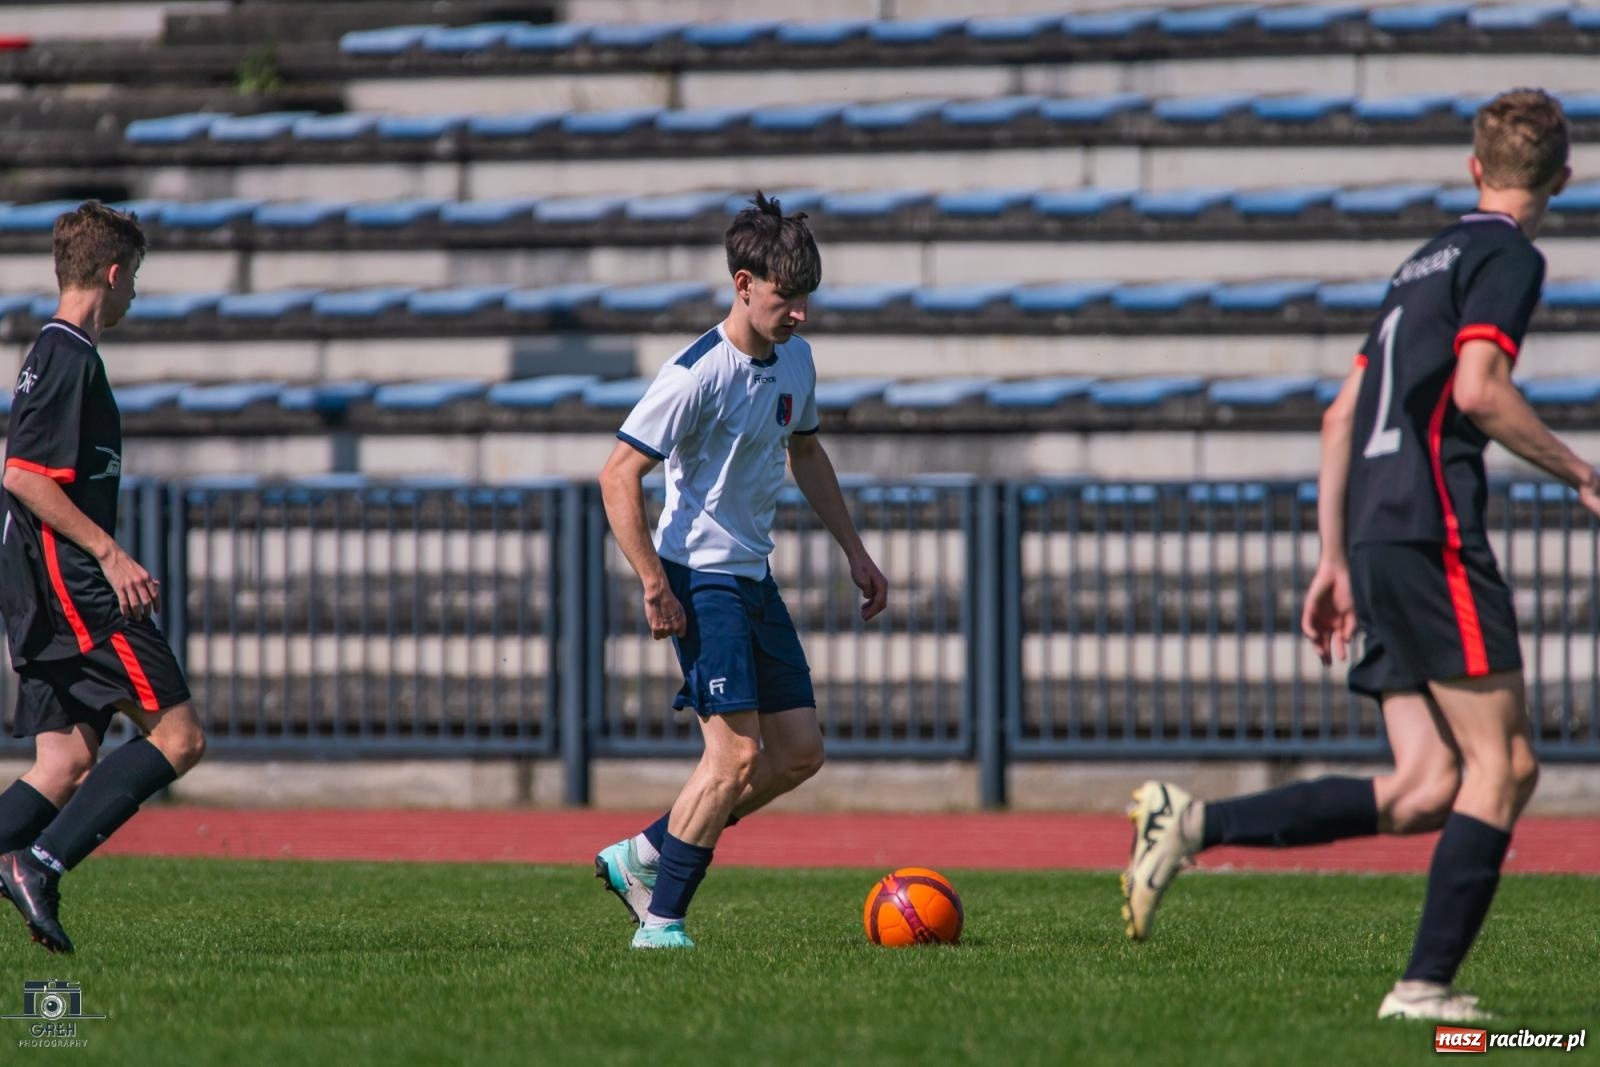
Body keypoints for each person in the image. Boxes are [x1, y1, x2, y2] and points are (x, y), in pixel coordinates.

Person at [1122, 88, 1589, 1021]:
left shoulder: (1419, 264)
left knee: (1426, 785)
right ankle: (1423, 987)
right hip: (1430, 525)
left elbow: (1341, 416)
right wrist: (1582, 471)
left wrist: (1334, 556)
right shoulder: (1509, 255)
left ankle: (1192, 821)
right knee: (1504, 766)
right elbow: (1480, 389)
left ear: (1475, 167)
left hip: (1377, 528)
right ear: (1564, 179)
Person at [593, 192, 888, 949]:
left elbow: (807, 451)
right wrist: (654, 582)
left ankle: (646, 852)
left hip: (754, 575)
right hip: (700, 579)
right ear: (744, 284)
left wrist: (855, 551)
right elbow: (618, 474)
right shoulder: (695, 374)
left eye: (807, 299)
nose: (800, 315)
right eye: (787, 299)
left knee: (799, 752)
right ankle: (661, 922)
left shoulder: (797, 359)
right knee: (735, 756)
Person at [0, 201, 207, 953]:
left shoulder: (56, 352)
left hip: (38, 587)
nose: (134, 294)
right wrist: (111, 554)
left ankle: (26, 856)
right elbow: (24, 474)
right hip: (75, 588)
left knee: (65, 762)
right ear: (113, 273)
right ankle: (39, 863)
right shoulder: (68, 355)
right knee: (180, 737)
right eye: (135, 278)